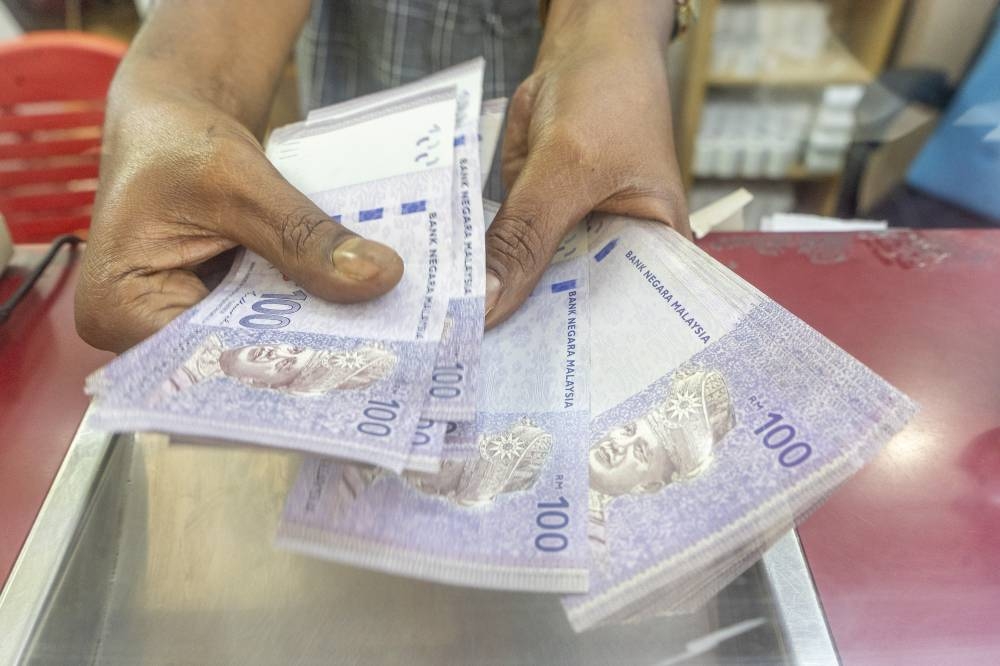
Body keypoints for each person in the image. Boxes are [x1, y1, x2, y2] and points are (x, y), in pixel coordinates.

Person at [75, 0, 692, 352]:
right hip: (334, 215)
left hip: (562, 186)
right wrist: (171, 95)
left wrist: (614, 31)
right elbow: (209, 46)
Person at [587, 369, 735, 552]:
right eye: (628, 430)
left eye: (639, 451)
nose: (618, 444)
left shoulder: (589, 542)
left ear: (648, 487)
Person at [164, 333, 396, 395]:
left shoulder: (177, 387)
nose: (275, 353)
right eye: (293, 350)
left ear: (258, 383)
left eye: (283, 365)